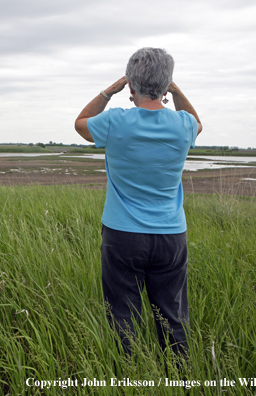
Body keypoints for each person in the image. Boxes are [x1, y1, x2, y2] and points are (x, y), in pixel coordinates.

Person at [74, 47, 202, 357]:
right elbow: (196, 122)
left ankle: (130, 376)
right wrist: (174, 88)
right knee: (172, 317)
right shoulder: (183, 125)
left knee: (122, 316)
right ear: (166, 85)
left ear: (130, 85)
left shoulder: (116, 121)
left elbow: (81, 123)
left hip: (123, 235)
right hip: (171, 235)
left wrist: (109, 91)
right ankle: (178, 379)